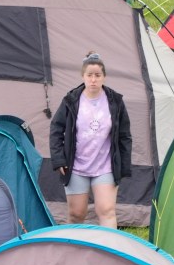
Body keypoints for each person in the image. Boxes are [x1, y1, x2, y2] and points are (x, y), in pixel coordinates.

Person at [49, 52, 132, 228]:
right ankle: (73, 249)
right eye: (89, 75)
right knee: (77, 214)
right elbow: (56, 129)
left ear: (104, 77)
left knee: (107, 211)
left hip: (105, 167)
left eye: (97, 75)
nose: (93, 79)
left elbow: (125, 136)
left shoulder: (115, 101)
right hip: (77, 166)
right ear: (83, 76)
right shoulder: (71, 100)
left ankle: (109, 251)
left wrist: (123, 165)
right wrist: (58, 160)